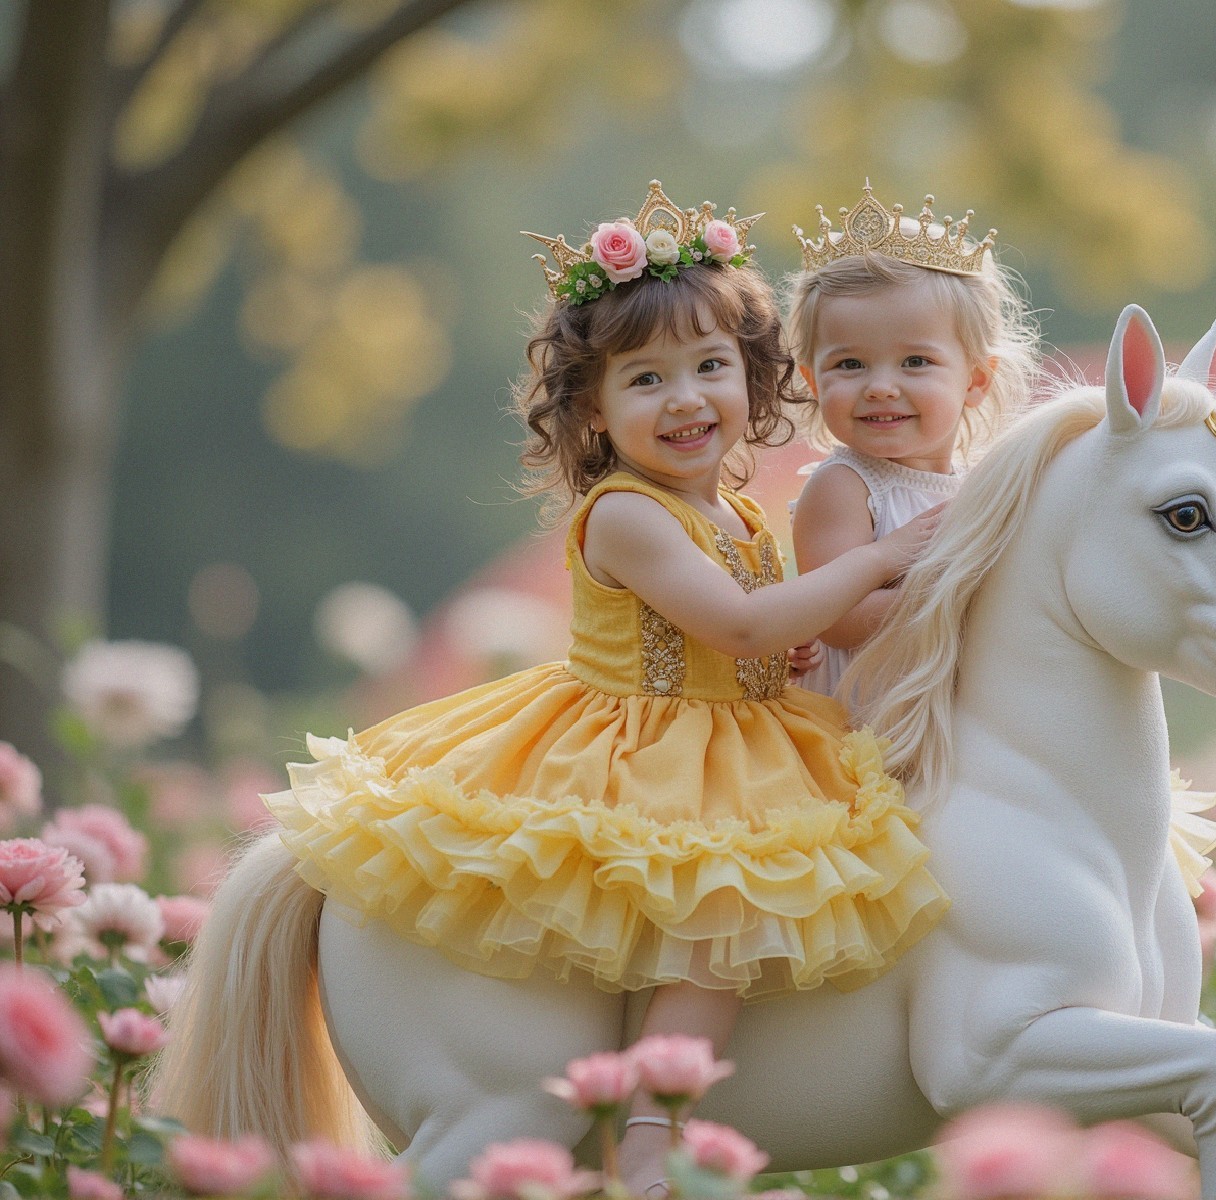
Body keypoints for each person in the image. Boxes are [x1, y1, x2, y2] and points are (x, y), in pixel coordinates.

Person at [262, 181, 950, 1196]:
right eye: (646, 379)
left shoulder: (743, 519)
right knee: (718, 912)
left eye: (711, 367)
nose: (685, 400)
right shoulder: (625, 516)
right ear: (592, 410)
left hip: (743, 733)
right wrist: (879, 561)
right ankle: (647, 1137)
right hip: (641, 747)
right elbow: (743, 622)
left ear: (754, 383)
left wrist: (788, 656)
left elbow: (762, 641)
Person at [785, 183, 1041, 698]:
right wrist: (971, 596)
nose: (881, 386)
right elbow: (838, 619)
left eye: (915, 362)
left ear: (975, 380)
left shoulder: (979, 484)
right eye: (850, 364)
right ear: (814, 382)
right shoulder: (845, 487)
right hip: (866, 722)